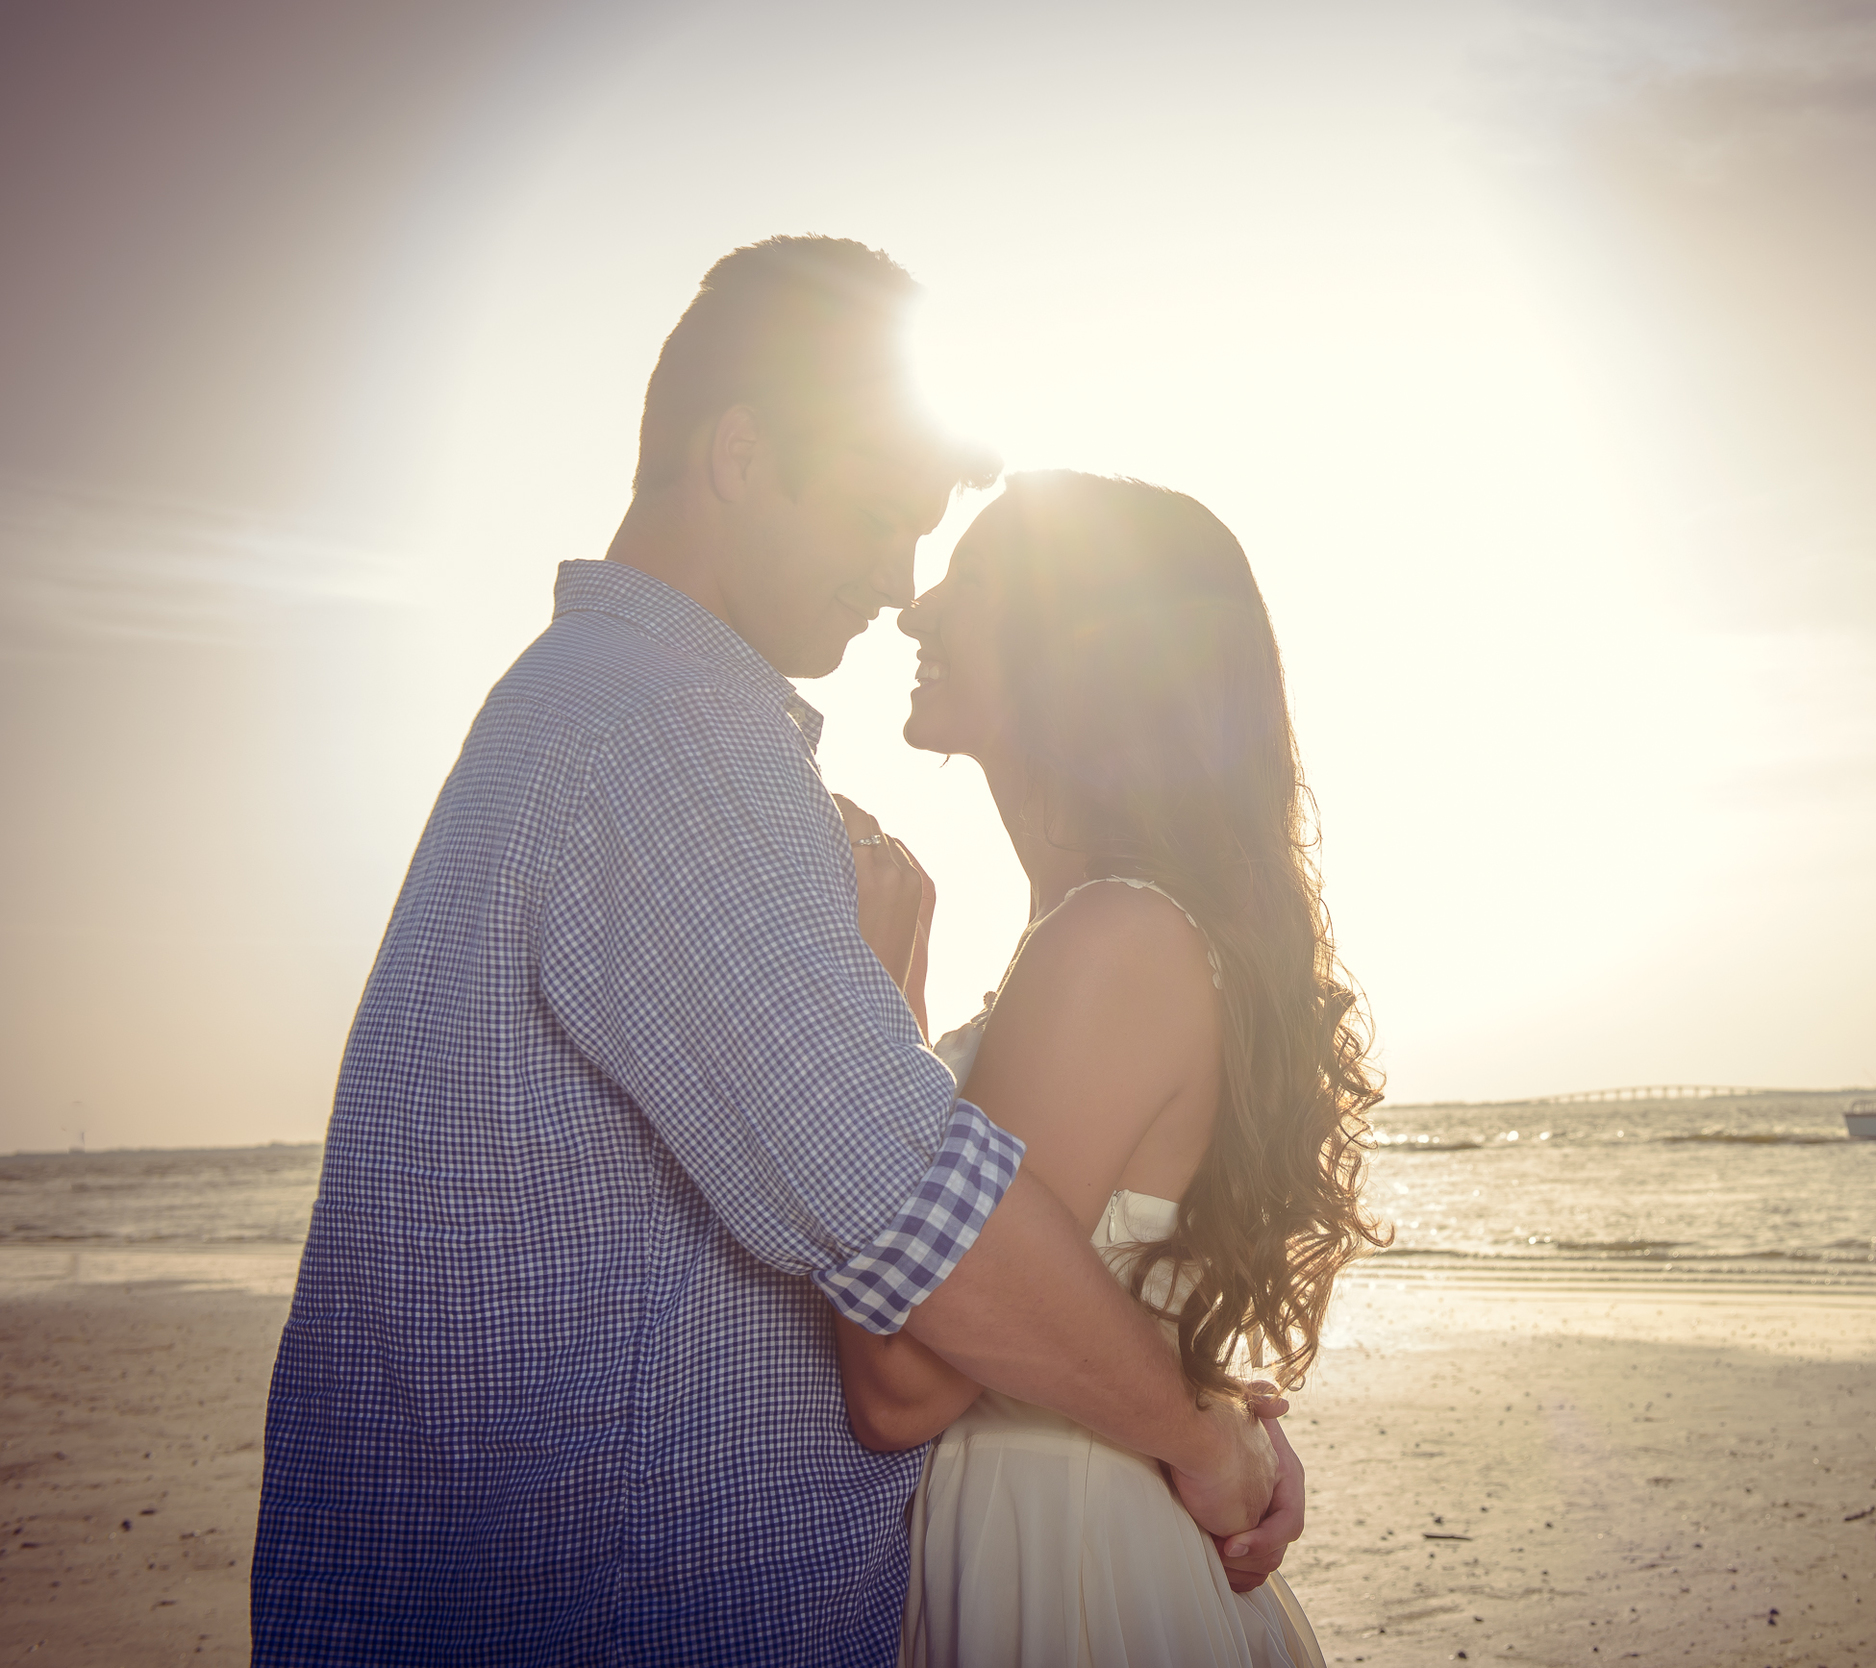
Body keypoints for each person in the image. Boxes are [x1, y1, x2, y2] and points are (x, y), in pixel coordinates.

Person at [251, 239, 1291, 1666]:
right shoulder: (667, 731)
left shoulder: (610, 715)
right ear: (739, 456)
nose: (899, 580)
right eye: (877, 516)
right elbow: (913, 1224)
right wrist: (1195, 1436)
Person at [832, 472, 1386, 1665]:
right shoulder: (1105, 936)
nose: (915, 611)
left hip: (1061, 1568)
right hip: (1063, 1530)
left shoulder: (1114, 940)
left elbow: (903, 1386)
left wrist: (873, 1012)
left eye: (970, 584)